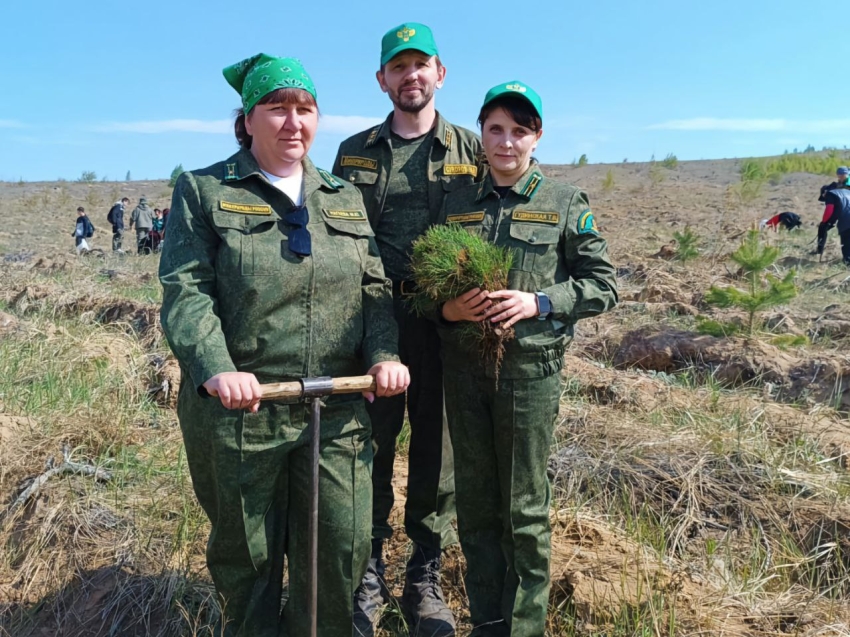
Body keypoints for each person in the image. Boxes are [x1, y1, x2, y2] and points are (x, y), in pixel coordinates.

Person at [158, 53, 410, 637]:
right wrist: (218, 370)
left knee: (340, 550)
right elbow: (186, 292)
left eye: (305, 108)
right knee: (248, 562)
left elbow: (374, 288)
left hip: (338, 407)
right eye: (277, 108)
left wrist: (383, 354)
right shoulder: (202, 191)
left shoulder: (343, 197)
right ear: (247, 120)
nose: (292, 121)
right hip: (242, 412)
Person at [435, 82, 618, 636]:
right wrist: (450, 310)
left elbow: (603, 285)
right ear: (481, 136)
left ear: (537, 137)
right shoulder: (458, 204)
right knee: (475, 509)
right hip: (464, 375)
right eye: (496, 129)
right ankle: (488, 623)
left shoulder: (564, 203)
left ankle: (523, 628)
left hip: (529, 376)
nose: (507, 142)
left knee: (523, 511)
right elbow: (429, 291)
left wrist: (539, 301)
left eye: (519, 131)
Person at [333, 22, 482, 636]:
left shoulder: (475, 149)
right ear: (382, 80)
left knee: (436, 452)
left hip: (448, 323)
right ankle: (365, 567)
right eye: (399, 67)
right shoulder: (353, 151)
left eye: (421, 65)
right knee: (366, 446)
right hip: (375, 319)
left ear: (440, 73)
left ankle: (424, 572)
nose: (411, 76)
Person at [814, 169, 850, 256]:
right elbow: (829, 206)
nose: (840, 176)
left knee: (846, 233)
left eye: (843, 175)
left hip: (845, 212)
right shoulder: (833, 186)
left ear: (848, 174)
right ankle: (819, 249)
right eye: (839, 174)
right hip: (839, 211)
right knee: (822, 227)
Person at [822, 185, 850, 264]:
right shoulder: (847, 192)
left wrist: (824, 222)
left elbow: (829, 210)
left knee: (847, 244)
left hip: (847, 223)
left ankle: (847, 264)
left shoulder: (830, 194)